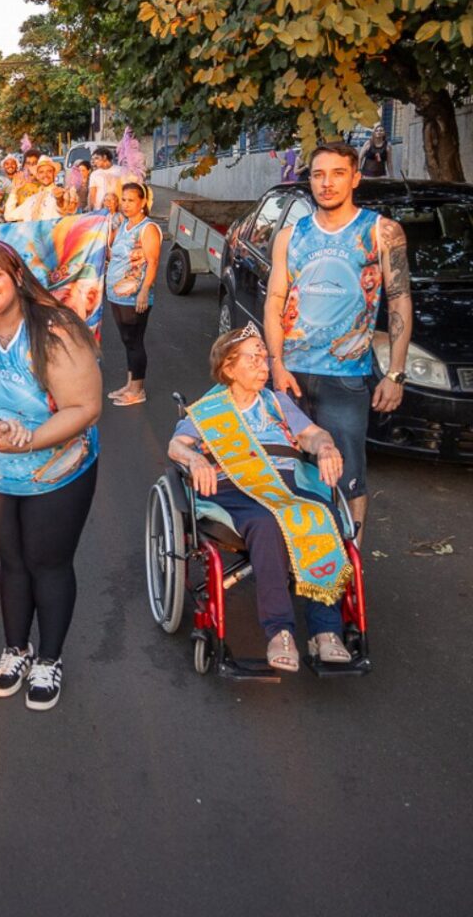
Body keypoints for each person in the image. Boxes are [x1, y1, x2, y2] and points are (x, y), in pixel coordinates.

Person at [0, 241, 102, 710]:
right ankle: (17, 648)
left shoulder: (55, 329)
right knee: (12, 560)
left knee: (48, 561)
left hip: (55, 468)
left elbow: (86, 407)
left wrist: (27, 440)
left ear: (17, 276)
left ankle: (49, 657)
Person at [168, 324, 355, 671]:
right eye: (252, 358)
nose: (263, 365)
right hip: (235, 487)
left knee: (320, 513)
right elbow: (176, 445)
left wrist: (326, 448)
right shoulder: (208, 409)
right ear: (228, 367)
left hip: (286, 482)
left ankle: (326, 633)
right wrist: (194, 459)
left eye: (264, 358)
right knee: (265, 522)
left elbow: (313, 435)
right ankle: (279, 631)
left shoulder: (277, 402)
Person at [265, 141, 412, 537]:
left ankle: (349, 572)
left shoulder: (382, 232)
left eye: (337, 173)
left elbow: (399, 300)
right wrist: (276, 363)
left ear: (356, 178)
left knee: (347, 477)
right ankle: (301, 557)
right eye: (318, 174)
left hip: (346, 378)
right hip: (290, 374)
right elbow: (276, 299)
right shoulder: (291, 236)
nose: (326, 183)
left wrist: (395, 374)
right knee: (287, 472)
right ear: (308, 180)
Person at [106, 181, 162, 406]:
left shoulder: (147, 228)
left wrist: (144, 290)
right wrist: (110, 215)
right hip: (116, 293)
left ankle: (138, 389)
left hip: (134, 294)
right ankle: (130, 384)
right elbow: (108, 245)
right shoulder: (122, 224)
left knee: (135, 340)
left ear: (143, 203)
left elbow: (153, 261)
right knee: (126, 340)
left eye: (131, 200)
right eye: (124, 200)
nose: (126, 204)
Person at [4, 158, 70, 222]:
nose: (45, 175)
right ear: (37, 176)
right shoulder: (31, 200)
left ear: (54, 174)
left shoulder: (62, 194)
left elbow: (66, 210)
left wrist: (60, 198)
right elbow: (9, 216)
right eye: (41, 172)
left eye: (49, 171)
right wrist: (14, 190)